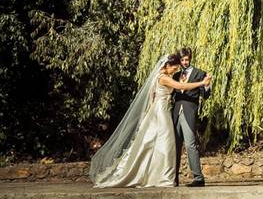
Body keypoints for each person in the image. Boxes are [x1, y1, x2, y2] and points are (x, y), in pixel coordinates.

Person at [89, 53, 211, 188]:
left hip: (162, 110)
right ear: (168, 65)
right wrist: (201, 82)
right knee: (166, 143)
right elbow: (180, 87)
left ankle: (162, 175)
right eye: (175, 67)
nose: (176, 70)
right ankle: (165, 177)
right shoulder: (164, 77)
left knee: (157, 143)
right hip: (162, 112)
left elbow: (151, 96)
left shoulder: (159, 76)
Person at [173, 47, 211, 187]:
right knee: (175, 146)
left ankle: (198, 178)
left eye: (187, 59)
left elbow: (205, 96)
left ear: (190, 58)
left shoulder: (200, 73)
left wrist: (207, 85)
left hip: (189, 112)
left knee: (190, 144)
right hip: (175, 113)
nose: (184, 62)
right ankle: (173, 178)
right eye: (182, 60)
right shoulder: (175, 76)